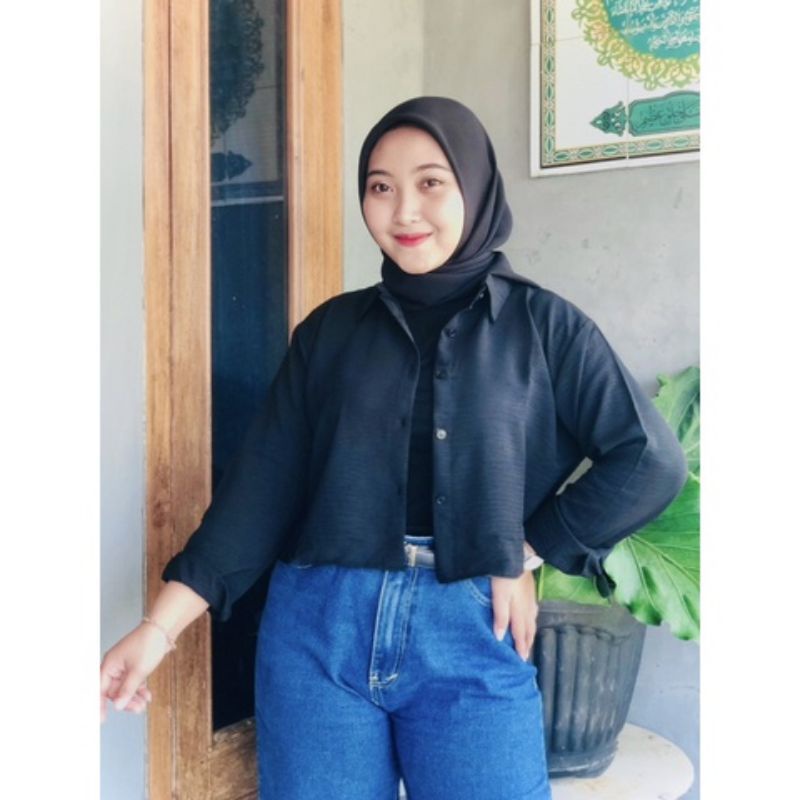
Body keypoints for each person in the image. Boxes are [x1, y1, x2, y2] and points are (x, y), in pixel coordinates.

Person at [100, 96, 688, 799]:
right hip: (319, 633)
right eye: (380, 187)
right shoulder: (328, 333)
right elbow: (257, 496)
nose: (404, 210)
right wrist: (157, 631)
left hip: (472, 624)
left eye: (430, 182)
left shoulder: (546, 327)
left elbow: (648, 459)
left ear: (475, 187)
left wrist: (526, 549)